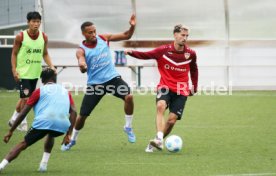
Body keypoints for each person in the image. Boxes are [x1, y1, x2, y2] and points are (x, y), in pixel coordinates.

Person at [61, 14, 137, 151]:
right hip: (95, 85)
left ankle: (128, 127)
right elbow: (81, 63)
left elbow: (126, 35)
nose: (94, 34)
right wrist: (83, 65)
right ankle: (73, 139)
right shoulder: (81, 50)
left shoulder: (103, 38)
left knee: (129, 96)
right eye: (90, 32)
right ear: (83, 34)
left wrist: (132, 26)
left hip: (113, 79)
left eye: (94, 31)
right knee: (83, 116)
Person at [125, 24, 198, 152]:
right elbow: (146, 55)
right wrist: (132, 52)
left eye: (187, 36)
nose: (185, 38)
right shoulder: (163, 50)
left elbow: (194, 69)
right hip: (165, 86)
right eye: (182, 35)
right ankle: (159, 138)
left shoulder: (191, 54)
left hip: (182, 89)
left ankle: (156, 141)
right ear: (175, 35)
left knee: (171, 121)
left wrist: (195, 87)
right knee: (160, 106)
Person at [0, 67, 77, 173]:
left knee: (23, 144)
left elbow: (23, 113)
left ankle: (1, 166)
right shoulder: (66, 91)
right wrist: (69, 134)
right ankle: (43, 165)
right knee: (51, 133)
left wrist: (10, 131)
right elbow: (74, 112)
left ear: (42, 80)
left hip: (44, 122)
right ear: (55, 78)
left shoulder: (39, 91)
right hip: (62, 125)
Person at [9, 11, 56, 132]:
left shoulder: (44, 37)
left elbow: (45, 53)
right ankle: (23, 123)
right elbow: (14, 54)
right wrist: (14, 70)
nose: (36, 24)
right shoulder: (21, 36)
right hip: (23, 73)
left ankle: (14, 118)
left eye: (38, 22)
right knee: (26, 99)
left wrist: (52, 65)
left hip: (35, 73)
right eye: (33, 21)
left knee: (24, 97)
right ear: (28, 22)